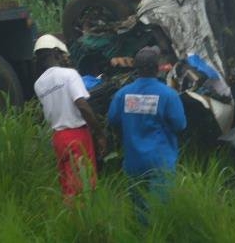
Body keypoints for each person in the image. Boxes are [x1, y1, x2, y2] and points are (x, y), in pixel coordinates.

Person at [33, 34, 107, 198]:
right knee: (84, 187)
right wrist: (99, 133)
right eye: (62, 55)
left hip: (58, 138)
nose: (64, 59)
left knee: (68, 185)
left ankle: (71, 220)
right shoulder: (69, 75)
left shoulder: (39, 84)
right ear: (55, 53)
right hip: (77, 136)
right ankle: (84, 221)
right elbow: (83, 106)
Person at [108, 46, 187, 200]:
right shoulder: (168, 95)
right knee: (160, 209)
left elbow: (113, 120)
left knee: (139, 209)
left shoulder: (122, 94)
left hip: (133, 160)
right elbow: (180, 125)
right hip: (160, 161)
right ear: (158, 68)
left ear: (136, 68)